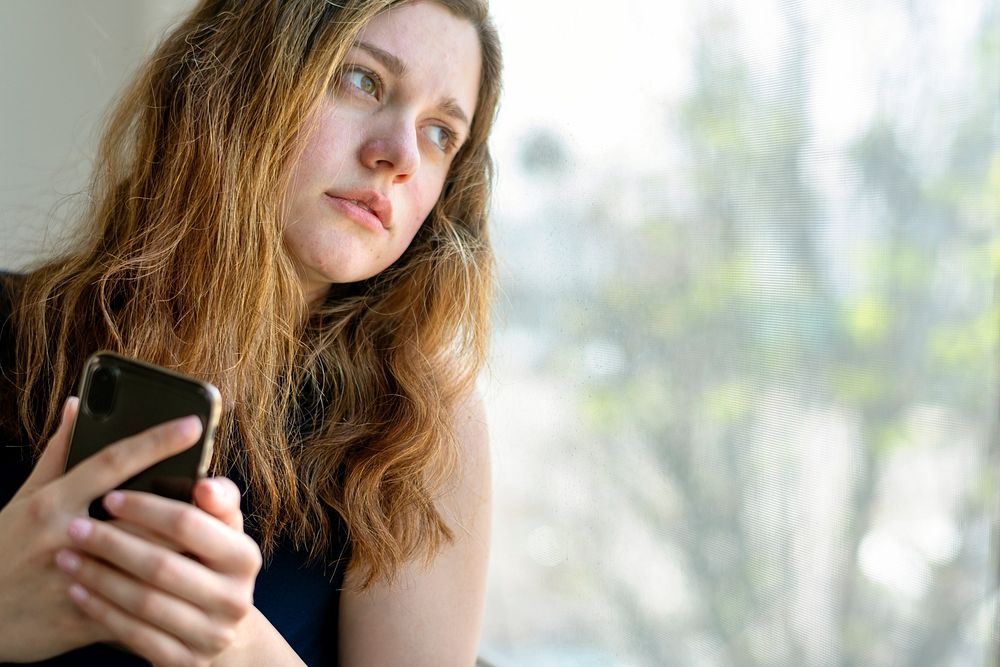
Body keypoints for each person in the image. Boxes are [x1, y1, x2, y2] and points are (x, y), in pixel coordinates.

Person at [0, 0, 502, 664]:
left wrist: (239, 648)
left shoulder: (417, 428)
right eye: (362, 80)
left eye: (441, 132)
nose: (401, 156)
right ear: (242, 76)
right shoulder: (12, 328)